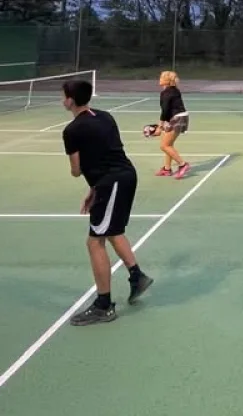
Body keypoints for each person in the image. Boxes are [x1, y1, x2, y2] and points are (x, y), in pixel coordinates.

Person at [61, 78, 153, 326]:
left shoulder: (72, 131)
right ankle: (137, 276)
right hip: (123, 177)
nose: (62, 99)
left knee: (94, 242)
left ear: (70, 100)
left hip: (111, 182)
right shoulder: (105, 116)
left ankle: (104, 305)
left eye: (64, 96)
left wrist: (98, 184)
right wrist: (95, 189)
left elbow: (76, 170)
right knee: (112, 231)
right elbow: (107, 153)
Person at [146, 70, 191, 179]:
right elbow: (169, 110)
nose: (159, 79)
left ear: (166, 80)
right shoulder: (174, 90)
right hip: (179, 117)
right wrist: (164, 124)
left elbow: (165, 111)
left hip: (178, 118)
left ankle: (183, 165)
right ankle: (167, 169)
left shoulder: (166, 93)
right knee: (168, 145)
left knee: (164, 145)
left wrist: (159, 127)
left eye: (161, 77)